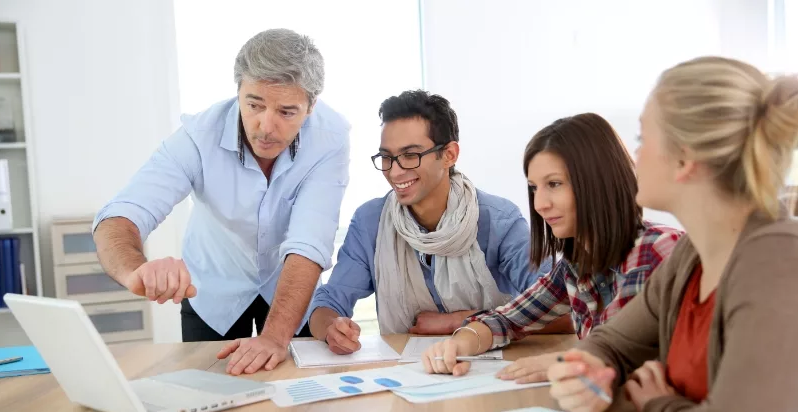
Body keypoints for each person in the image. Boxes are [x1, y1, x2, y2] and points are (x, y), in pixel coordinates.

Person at [547, 57, 798, 412]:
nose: (634, 156)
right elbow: (612, 343)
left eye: (642, 139)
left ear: (684, 159)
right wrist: (589, 372)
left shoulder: (777, 265)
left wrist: (656, 405)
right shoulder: (694, 252)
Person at [93, 29, 351, 375]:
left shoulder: (330, 138)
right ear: (239, 91)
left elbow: (310, 240)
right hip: (213, 290)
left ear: (311, 106)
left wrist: (275, 337)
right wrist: (134, 269)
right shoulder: (198, 137)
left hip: (290, 292)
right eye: (254, 104)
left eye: (287, 112)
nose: (266, 126)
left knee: (300, 402)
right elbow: (123, 213)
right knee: (207, 395)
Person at [422, 113, 683, 379]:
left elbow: (624, 355)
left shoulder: (656, 250)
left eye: (554, 184)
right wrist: (459, 344)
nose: (540, 204)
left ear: (597, 181)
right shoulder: (576, 265)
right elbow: (508, 319)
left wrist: (565, 361)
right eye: (534, 188)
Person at [307, 90, 550, 354]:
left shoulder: (499, 220)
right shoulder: (371, 222)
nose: (395, 171)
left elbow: (558, 309)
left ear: (449, 155)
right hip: (407, 377)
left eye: (410, 155)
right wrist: (332, 327)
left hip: (494, 371)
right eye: (387, 157)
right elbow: (329, 301)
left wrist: (458, 321)